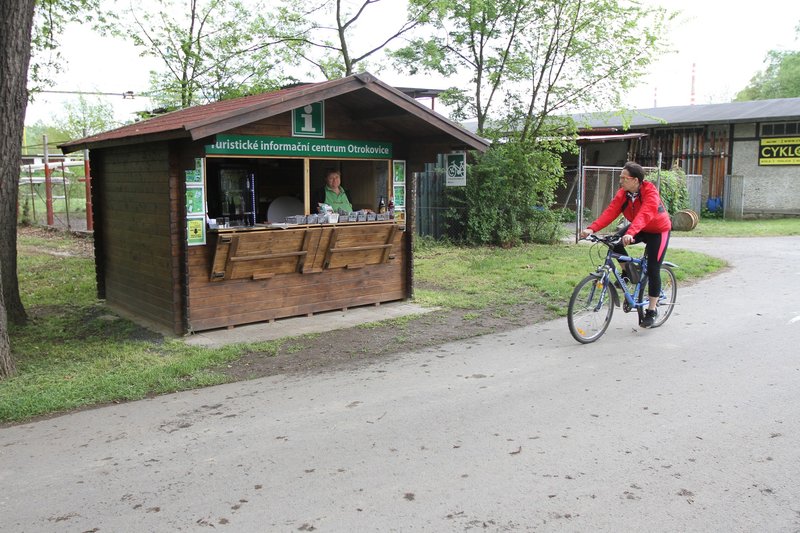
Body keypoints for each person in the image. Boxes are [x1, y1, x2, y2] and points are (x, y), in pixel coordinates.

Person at [579, 161, 672, 328]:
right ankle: (628, 273)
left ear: (635, 180)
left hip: (658, 230)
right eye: (620, 177)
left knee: (653, 269)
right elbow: (610, 212)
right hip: (639, 228)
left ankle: (651, 310)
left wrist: (631, 232)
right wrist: (591, 229)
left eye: (624, 178)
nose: (620, 180)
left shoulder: (650, 192)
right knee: (614, 242)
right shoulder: (623, 194)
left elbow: (645, 214)